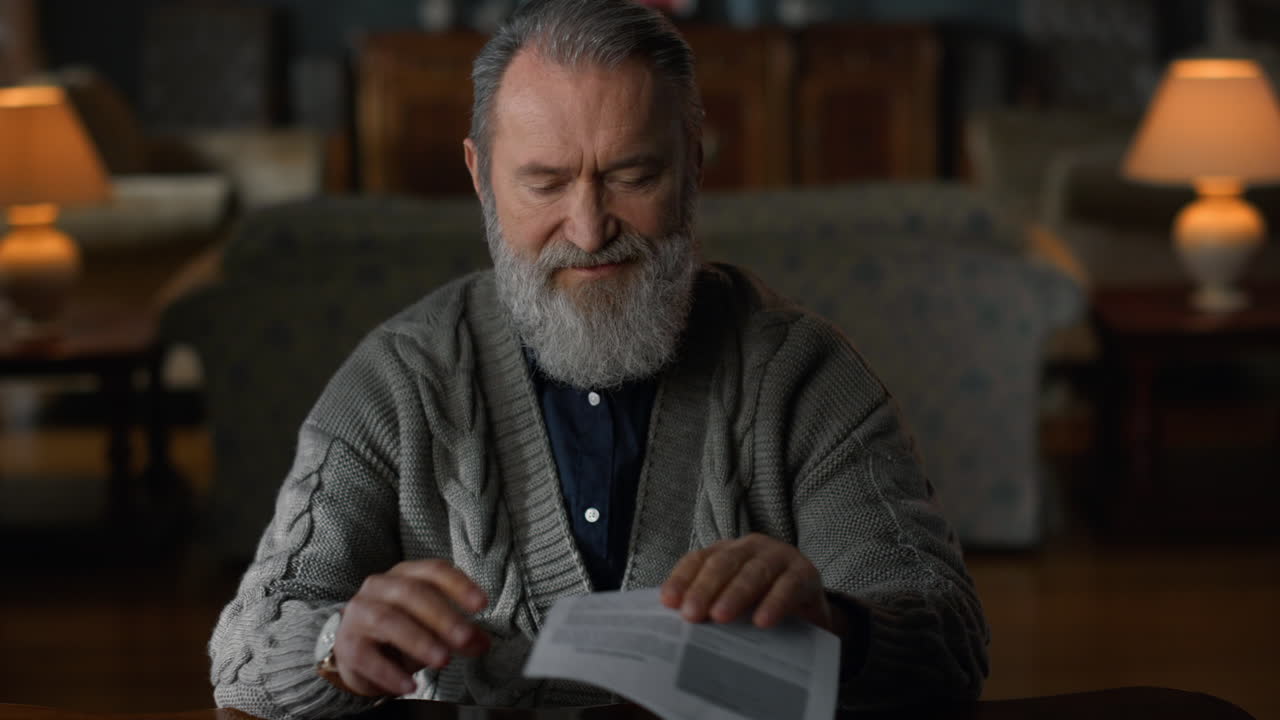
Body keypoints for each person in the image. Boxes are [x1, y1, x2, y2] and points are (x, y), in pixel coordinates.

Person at [208, 1, 989, 717]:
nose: (587, 229)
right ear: (481, 177)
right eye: (544, 183)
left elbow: (950, 642)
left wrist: (840, 626)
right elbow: (244, 648)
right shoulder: (397, 378)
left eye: (632, 176)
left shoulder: (803, 374)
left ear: (693, 164)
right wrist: (335, 644)